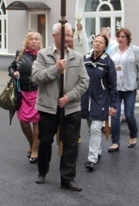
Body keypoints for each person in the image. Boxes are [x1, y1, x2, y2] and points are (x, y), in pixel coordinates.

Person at [31, 22, 89, 191]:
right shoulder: (43, 55)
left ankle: (68, 178)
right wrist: (55, 69)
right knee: (45, 142)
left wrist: (69, 97)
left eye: (70, 35)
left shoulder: (77, 57)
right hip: (48, 107)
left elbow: (84, 81)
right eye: (65, 35)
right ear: (55, 36)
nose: (69, 38)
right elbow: (35, 77)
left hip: (71, 107)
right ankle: (42, 171)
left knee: (71, 143)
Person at [80, 34, 118, 170]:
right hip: (87, 98)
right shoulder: (85, 59)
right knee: (91, 128)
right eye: (95, 41)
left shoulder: (108, 63)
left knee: (96, 128)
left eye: (100, 43)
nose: (97, 44)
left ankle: (92, 159)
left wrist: (113, 105)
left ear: (105, 47)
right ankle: (98, 149)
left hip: (101, 99)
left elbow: (113, 85)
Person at [108, 27, 139, 150]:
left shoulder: (135, 50)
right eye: (119, 36)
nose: (120, 39)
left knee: (129, 114)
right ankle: (115, 142)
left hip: (130, 87)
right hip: (116, 87)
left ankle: (133, 135)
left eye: (123, 37)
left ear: (128, 38)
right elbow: (108, 67)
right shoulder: (113, 51)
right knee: (115, 114)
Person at [9, 31, 42, 163]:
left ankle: (35, 149)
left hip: (38, 92)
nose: (33, 41)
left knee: (37, 122)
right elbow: (11, 67)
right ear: (27, 41)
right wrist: (14, 73)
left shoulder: (42, 55)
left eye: (36, 39)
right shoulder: (20, 54)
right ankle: (32, 143)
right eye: (31, 39)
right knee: (23, 121)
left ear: (39, 42)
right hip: (22, 93)